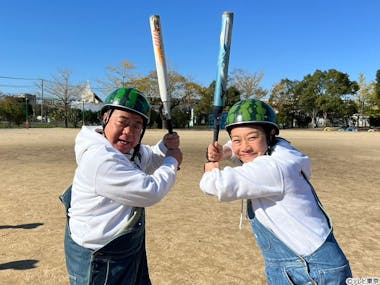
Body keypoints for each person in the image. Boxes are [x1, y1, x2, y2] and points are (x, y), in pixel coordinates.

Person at [200, 99, 352, 284]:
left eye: (252, 137)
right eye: (236, 139)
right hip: (314, 261)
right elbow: (241, 149)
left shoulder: (273, 167)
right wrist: (224, 151)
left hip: (309, 269)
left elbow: (215, 184)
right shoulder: (281, 148)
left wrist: (210, 163)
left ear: (270, 134)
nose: (244, 146)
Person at [60, 87, 183, 285]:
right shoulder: (100, 158)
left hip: (123, 248)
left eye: (137, 126)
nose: (129, 132)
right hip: (100, 256)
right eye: (123, 122)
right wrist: (172, 161)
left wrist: (164, 146)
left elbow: (149, 157)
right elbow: (150, 191)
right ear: (106, 117)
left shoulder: (126, 150)